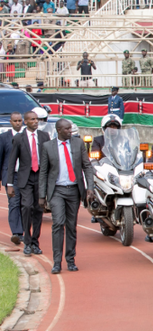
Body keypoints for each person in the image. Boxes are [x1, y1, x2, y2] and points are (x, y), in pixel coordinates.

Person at [38, 119, 93, 274]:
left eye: (71, 129)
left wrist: (90, 187)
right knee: (58, 224)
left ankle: (70, 260)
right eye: (67, 129)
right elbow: (43, 172)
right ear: (59, 130)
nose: (71, 131)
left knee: (71, 226)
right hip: (57, 191)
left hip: (74, 191)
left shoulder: (78, 144)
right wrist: (42, 195)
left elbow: (87, 166)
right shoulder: (48, 147)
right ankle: (56, 262)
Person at [3, 111, 51, 256]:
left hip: (40, 177)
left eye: (37, 119)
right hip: (25, 178)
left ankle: (35, 242)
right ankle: (27, 242)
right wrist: (10, 183)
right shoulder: (18, 138)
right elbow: (12, 162)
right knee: (27, 207)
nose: (36, 121)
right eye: (32, 119)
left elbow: (48, 159)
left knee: (38, 209)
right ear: (25, 121)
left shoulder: (44, 136)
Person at [1, 112, 25, 245]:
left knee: (25, 204)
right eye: (15, 121)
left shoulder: (26, 137)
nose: (17, 123)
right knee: (14, 203)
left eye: (19, 120)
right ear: (10, 122)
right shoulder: (4, 138)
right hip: (11, 176)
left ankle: (23, 229)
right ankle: (17, 233)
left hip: (25, 176)